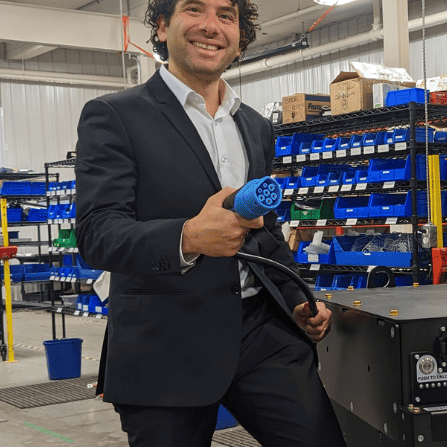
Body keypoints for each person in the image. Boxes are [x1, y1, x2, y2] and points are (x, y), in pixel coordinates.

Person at [73, 0, 346, 445]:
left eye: (226, 15)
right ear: (162, 27)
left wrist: (297, 298)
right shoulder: (115, 115)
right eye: (194, 9)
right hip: (166, 340)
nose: (210, 27)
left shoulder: (254, 126)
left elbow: (266, 229)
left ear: (240, 37)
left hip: (262, 333)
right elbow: (96, 234)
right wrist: (188, 237)